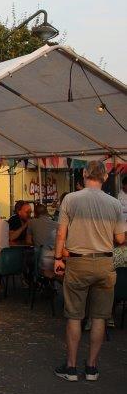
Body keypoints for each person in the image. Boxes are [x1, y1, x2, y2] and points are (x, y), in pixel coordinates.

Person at [53, 161, 126, 382]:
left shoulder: (70, 199)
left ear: (84, 174)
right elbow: (120, 238)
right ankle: (92, 368)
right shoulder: (115, 203)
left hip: (78, 262)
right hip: (104, 263)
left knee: (74, 316)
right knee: (100, 317)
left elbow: (61, 234)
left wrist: (58, 258)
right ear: (105, 177)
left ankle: (71, 368)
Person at [26, 203, 57, 275]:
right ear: (47, 212)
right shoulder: (56, 224)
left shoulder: (31, 222)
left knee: (26, 257)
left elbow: (28, 241)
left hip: (39, 258)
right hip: (54, 257)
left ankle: (29, 277)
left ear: (35, 214)